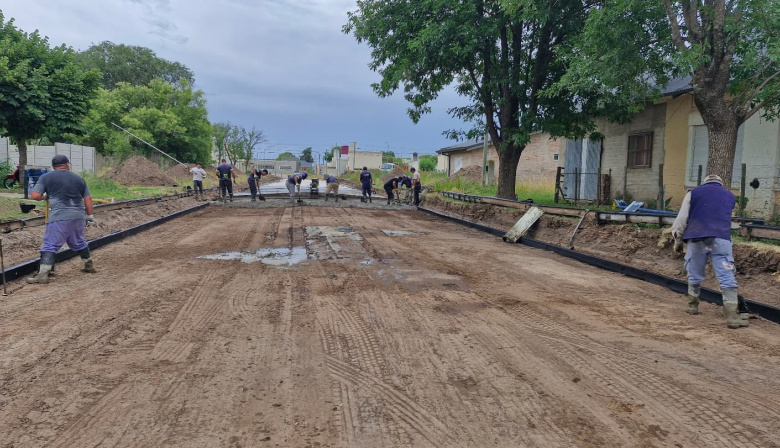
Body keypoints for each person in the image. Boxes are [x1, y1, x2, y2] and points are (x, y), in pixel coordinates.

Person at [671, 174, 747, 329]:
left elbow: (682, 218)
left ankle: (692, 306)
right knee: (726, 274)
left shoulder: (693, 193)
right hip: (721, 239)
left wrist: (678, 239)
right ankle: (732, 316)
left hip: (696, 238)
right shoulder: (731, 196)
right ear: (720, 183)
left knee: (694, 271)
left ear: (704, 182)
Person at [26, 155, 96, 284]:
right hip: (78, 216)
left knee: (50, 244)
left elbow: (35, 195)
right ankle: (89, 265)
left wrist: (46, 196)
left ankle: (43, 275)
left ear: (53, 166)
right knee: (79, 241)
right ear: (67, 165)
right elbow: (88, 199)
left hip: (59, 217)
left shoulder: (46, 177)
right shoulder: (78, 178)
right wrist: (90, 216)